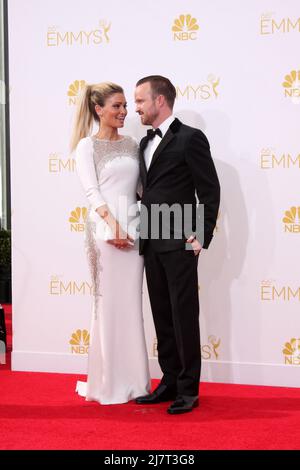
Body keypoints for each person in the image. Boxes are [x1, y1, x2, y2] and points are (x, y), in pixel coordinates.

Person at [134, 75, 220, 414]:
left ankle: (188, 389)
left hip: (181, 242)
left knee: (184, 316)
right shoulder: (143, 144)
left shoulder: (190, 139)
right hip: (151, 241)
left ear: (160, 101)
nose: (135, 107)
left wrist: (201, 235)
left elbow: (209, 190)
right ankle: (169, 381)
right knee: (162, 315)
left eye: (140, 100)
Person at [71, 82, 150, 405]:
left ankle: (135, 382)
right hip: (104, 236)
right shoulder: (86, 147)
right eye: (116, 106)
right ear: (98, 109)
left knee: (131, 305)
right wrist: (113, 226)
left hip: (134, 234)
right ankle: (107, 383)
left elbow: (144, 190)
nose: (123, 112)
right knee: (106, 306)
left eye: (125, 106)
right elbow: (92, 193)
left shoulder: (133, 144)